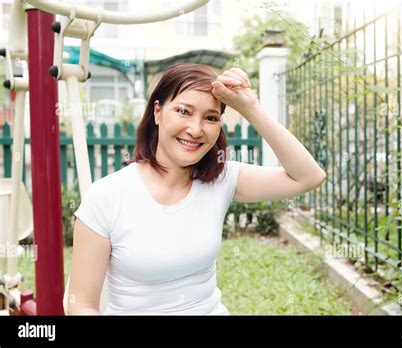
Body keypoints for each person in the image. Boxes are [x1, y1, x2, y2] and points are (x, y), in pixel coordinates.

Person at [67, 63, 326, 315]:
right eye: (183, 111)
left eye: (210, 117)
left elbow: (308, 177)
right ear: (157, 112)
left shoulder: (222, 179)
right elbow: (80, 304)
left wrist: (251, 108)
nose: (195, 129)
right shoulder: (107, 196)